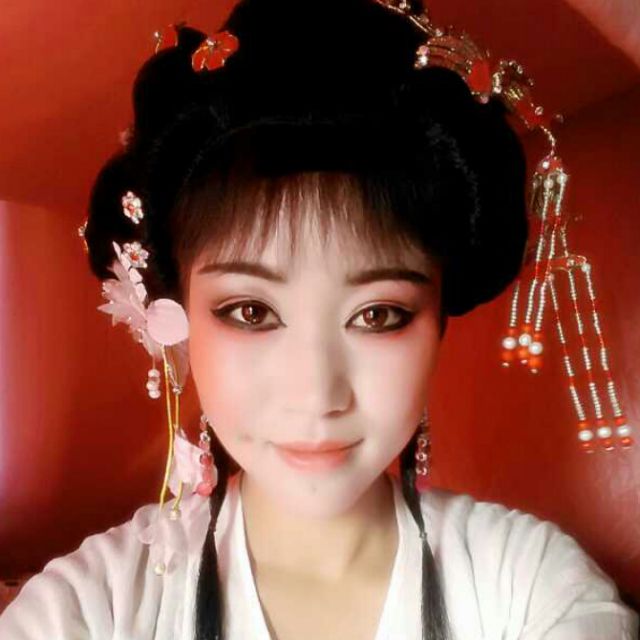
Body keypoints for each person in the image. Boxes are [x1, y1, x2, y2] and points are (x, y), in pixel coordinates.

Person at [1, 0, 638, 638]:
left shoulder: (530, 586)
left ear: (438, 321)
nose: (316, 395)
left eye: (378, 314)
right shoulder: (87, 609)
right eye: (251, 311)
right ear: (178, 317)